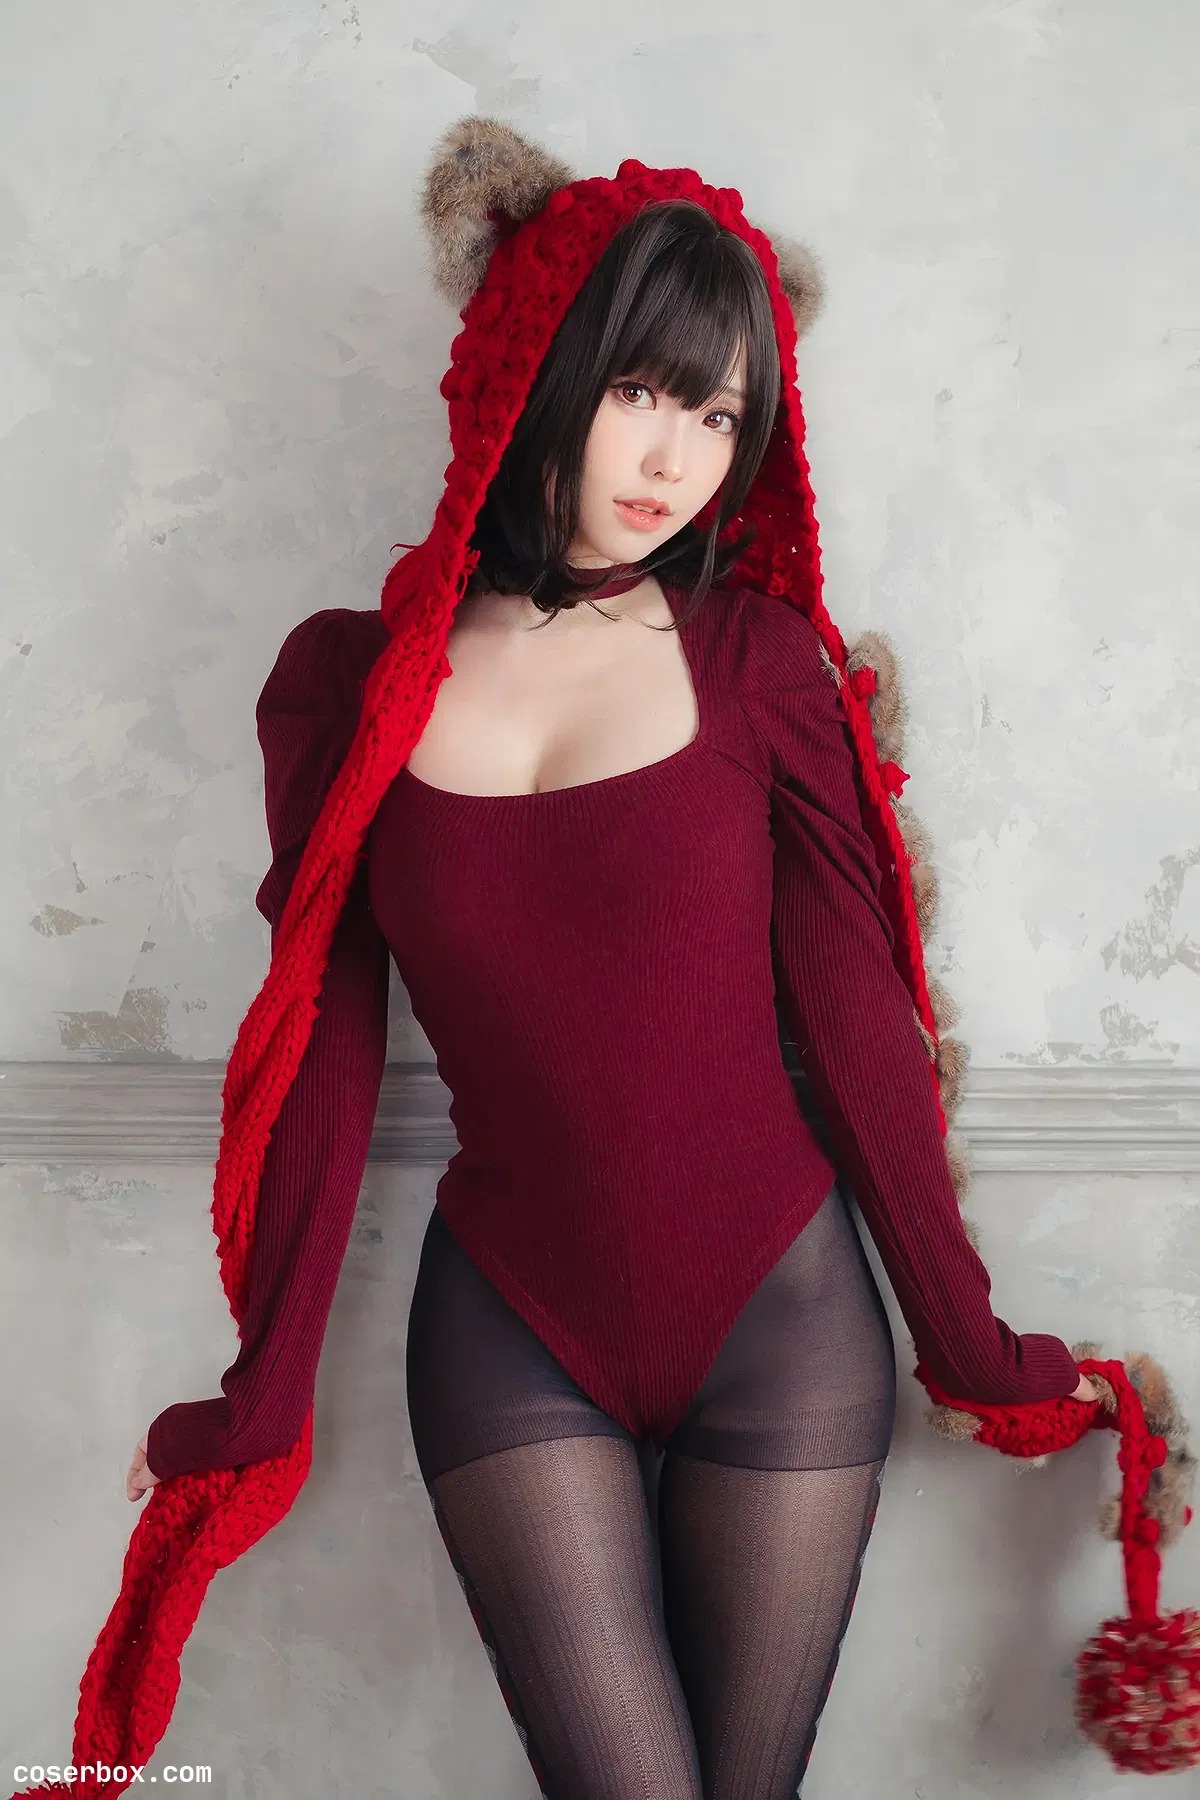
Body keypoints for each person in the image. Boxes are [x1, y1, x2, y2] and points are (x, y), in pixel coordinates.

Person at [103, 120, 1101, 1800]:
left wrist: (980, 1354)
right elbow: (324, 1057)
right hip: (510, 1322)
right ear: (543, 368)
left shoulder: (759, 661)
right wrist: (253, 1403)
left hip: (782, 1317)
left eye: (720, 415)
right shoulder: (348, 686)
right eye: (643, 388)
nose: (677, 457)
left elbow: (860, 1030)